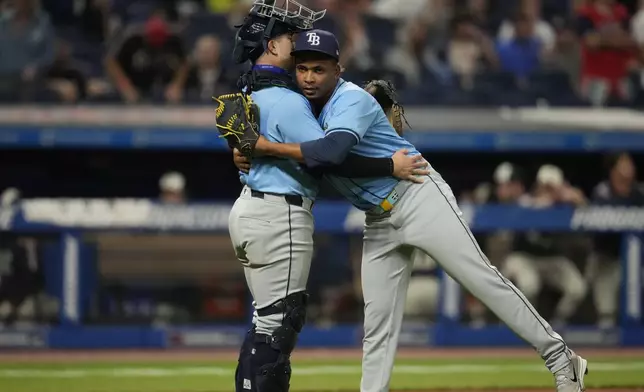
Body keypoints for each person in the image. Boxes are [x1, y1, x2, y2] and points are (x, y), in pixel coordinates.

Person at [243, 29, 589, 392]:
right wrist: (246, 151)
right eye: (303, 69)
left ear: (338, 69)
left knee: (484, 282)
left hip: (417, 196)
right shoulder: (301, 105)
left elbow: (329, 156)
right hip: (378, 217)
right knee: (377, 324)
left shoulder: (351, 100)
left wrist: (264, 147)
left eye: (319, 69)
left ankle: (561, 357)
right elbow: (310, 159)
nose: (310, 77)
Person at [225, 2, 426, 392]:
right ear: (270, 45)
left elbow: (255, 145)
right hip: (278, 213)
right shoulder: (286, 100)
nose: (296, 41)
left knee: (267, 323)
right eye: (288, 36)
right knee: (278, 327)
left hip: (254, 206)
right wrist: (388, 165)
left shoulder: (255, 91)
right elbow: (328, 158)